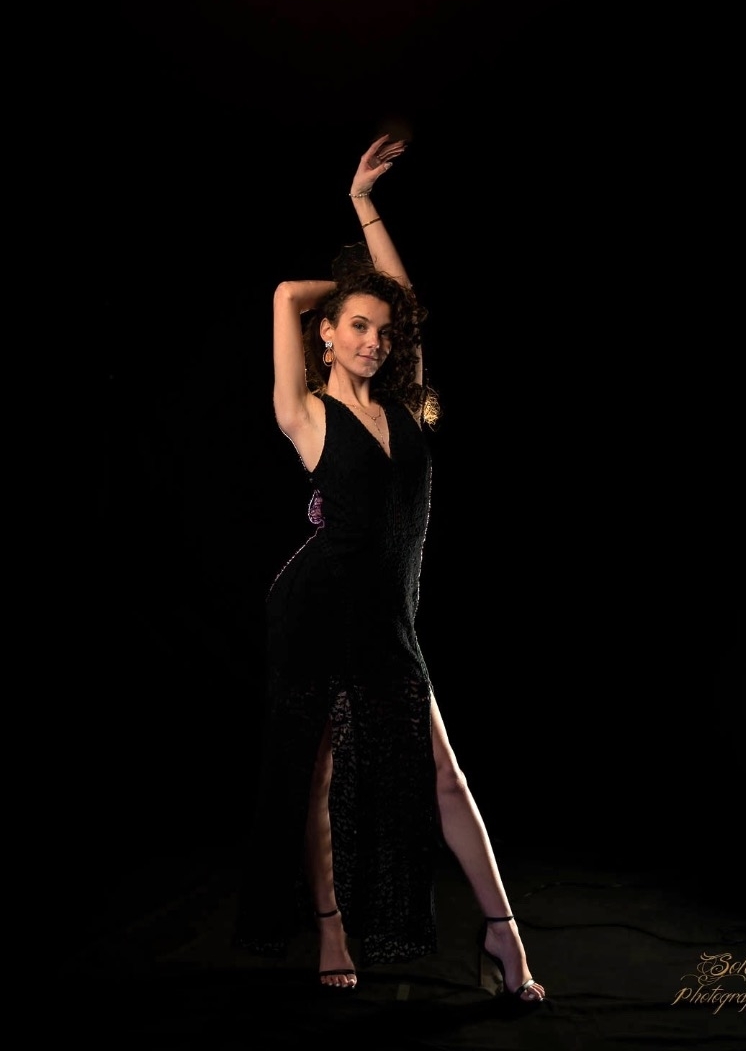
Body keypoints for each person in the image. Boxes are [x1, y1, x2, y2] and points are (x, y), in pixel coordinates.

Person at [233, 134, 545, 1006]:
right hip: (316, 613)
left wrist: (363, 203)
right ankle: (331, 925)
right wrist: (342, 292)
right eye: (356, 328)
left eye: (381, 330)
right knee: (319, 778)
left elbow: (402, 304)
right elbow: (285, 293)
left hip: (388, 622)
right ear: (327, 336)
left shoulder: (404, 404)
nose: (373, 340)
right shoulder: (305, 414)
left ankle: (502, 932)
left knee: (445, 776)